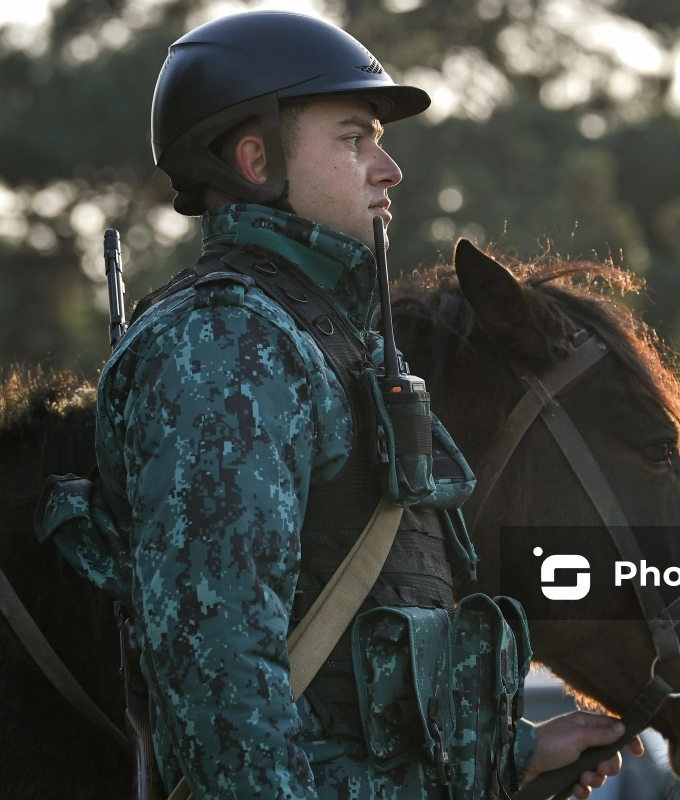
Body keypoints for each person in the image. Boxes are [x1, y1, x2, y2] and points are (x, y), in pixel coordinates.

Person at [47, 10, 643, 799]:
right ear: (256, 159)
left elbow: (353, 696)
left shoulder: (324, 341)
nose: (389, 167)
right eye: (355, 139)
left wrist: (510, 754)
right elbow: (222, 681)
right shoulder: (229, 343)